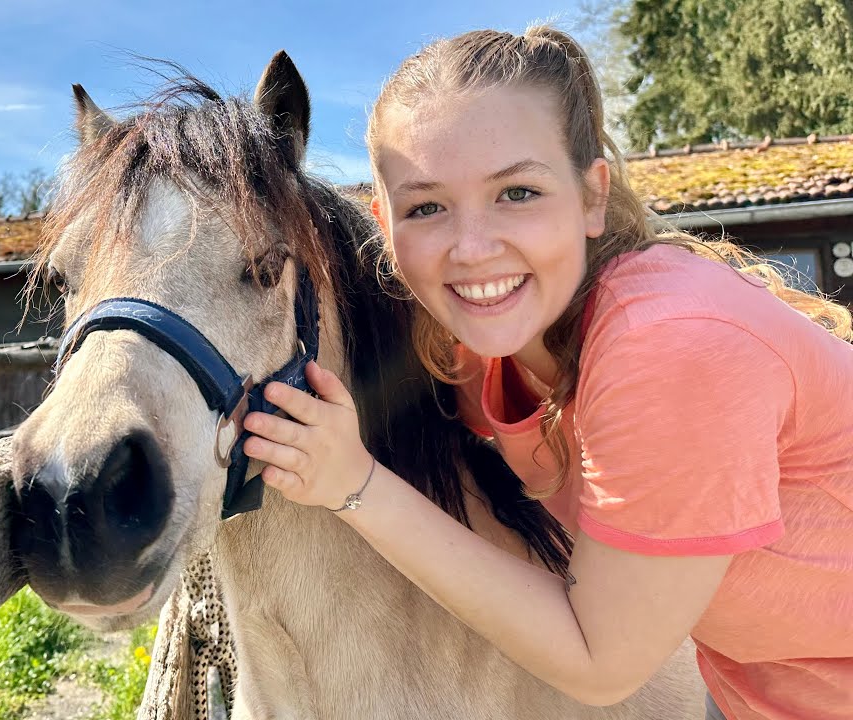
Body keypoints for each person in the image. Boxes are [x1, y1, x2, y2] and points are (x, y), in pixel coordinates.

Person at [241, 26, 853, 720]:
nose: (471, 249)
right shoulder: (477, 348)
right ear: (384, 224)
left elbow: (602, 664)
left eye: (518, 193)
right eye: (427, 207)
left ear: (592, 196)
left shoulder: (668, 346)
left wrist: (354, 485)